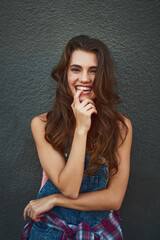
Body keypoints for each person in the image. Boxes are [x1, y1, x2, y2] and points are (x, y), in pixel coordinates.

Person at [21, 35, 132, 240]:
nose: (84, 79)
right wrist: (81, 129)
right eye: (76, 69)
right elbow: (70, 188)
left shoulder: (120, 127)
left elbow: (114, 198)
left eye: (94, 71)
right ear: (65, 74)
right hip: (50, 232)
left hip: (99, 232)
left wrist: (54, 199)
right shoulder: (43, 124)